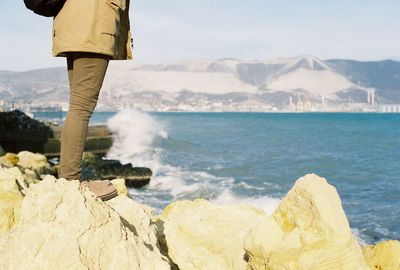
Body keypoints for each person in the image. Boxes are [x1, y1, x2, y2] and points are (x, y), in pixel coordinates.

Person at [52, 0, 133, 200]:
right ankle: (70, 181)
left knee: (77, 105)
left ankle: (67, 177)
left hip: (73, 25)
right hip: (93, 27)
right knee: (81, 106)